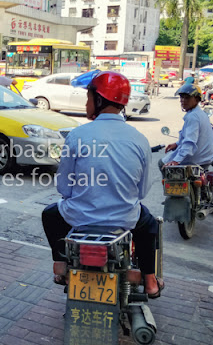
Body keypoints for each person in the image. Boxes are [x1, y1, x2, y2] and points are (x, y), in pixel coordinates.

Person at [41, 71, 164, 298]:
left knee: (49, 214)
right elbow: (142, 191)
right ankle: (149, 279)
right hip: (124, 220)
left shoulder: (78, 135)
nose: (86, 103)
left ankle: (60, 264)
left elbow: (64, 189)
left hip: (79, 218)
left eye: (88, 98)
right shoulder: (139, 139)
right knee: (150, 227)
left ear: (98, 100)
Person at [159, 84, 213, 174]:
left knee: (161, 163)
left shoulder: (193, 117)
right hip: (208, 157)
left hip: (196, 159)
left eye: (187, 98)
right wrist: (177, 144)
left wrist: (176, 160)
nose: (183, 101)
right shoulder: (199, 113)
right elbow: (190, 137)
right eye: (182, 97)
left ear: (197, 99)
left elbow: (189, 142)